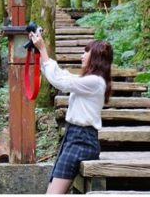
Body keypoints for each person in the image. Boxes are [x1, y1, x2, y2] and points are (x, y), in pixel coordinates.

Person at [29, 32, 113, 194]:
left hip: (81, 140)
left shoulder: (95, 82)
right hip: (75, 137)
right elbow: (62, 76)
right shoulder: (91, 81)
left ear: (95, 57)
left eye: (86, 53)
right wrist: (40, 53)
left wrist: (43, 50)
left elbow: (62, 82)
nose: (82, 56)